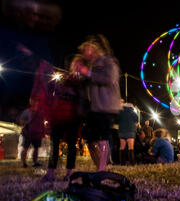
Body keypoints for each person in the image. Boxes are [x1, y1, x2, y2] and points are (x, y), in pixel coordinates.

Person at [74, 34, 121, 172]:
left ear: (94, 49)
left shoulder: (108, 61)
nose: (83, 53)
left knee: (102, 138)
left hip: (106, 106)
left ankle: (102, 170)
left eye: (86, 49)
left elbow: (109, 78)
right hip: (94, 107)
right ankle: (100, 168)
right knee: (90, 139)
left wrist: (87, 73)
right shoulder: (92, 66)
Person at [42, 59, 84, 182]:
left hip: (73, 117)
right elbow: (55, 95)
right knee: (54, 145)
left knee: (71, 146)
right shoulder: (64, 81)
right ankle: (50, 173)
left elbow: (82, 99)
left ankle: (68, 173)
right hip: (59, 116)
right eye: (74, 65)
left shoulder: (80, 83)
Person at [19, 97, 45, 168]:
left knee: (36, 148)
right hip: (28, 132)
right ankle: (24, 163)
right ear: (31, 102)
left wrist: (42, 132)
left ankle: (34, 162)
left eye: (36, 101)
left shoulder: (40, 112)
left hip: (37, 132)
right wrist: (25, 129)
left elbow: (41, 122)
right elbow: (21, 121)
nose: (36, 102)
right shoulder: (27, 111)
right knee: (25, 148)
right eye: (34, 101)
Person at [118, 99, 139, 165]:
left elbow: (116, 120)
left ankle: (122, 163)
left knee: (122, 147)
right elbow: (136, 120)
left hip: (122, 130)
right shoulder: (133, 112)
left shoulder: (120, 111)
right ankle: (132, 163)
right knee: (131, 147)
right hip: (130, 130)